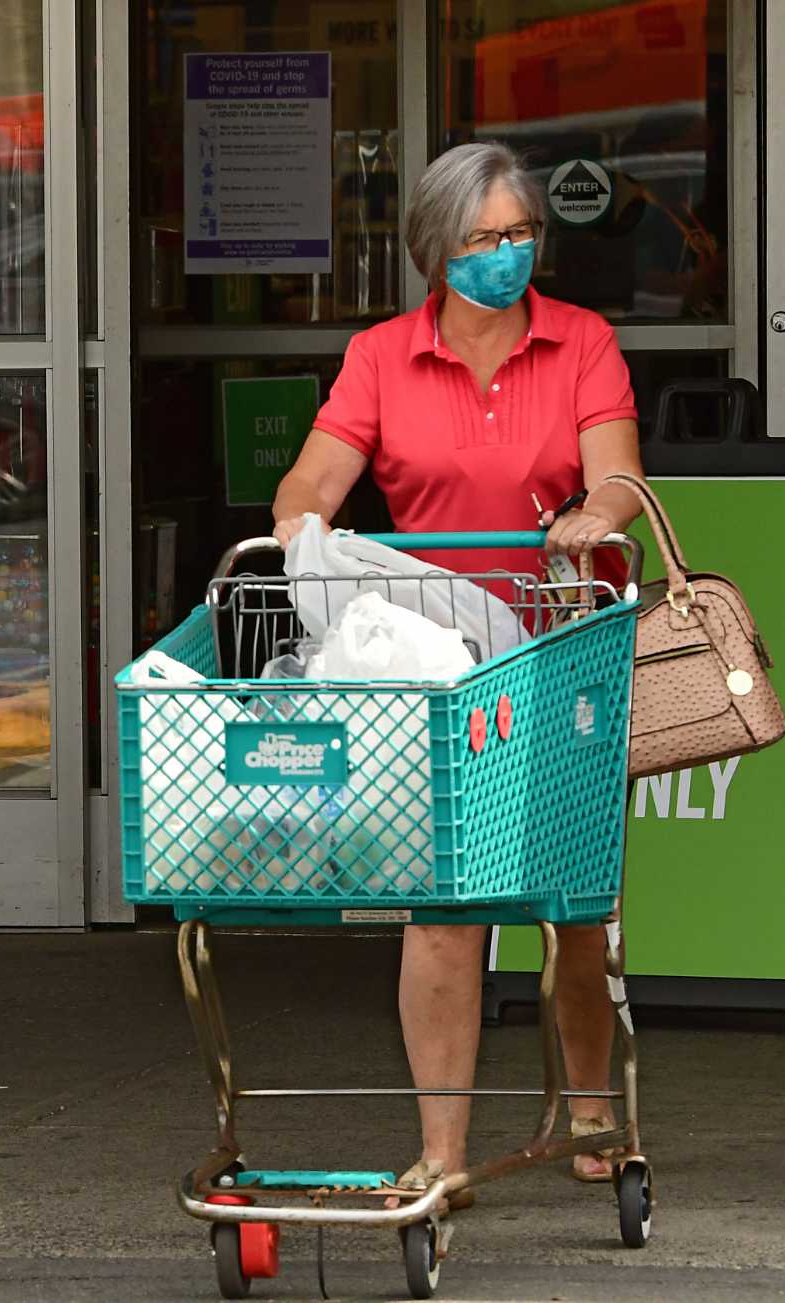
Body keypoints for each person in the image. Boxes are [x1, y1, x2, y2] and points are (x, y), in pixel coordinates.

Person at [270, 142, 644, 1196]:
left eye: (520, 234)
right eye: (482, 238)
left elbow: (616, 474)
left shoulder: (581, 343)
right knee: (442, 909)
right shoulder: (382, 356)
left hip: (560, 640)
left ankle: (589, 1110)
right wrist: (301, 526)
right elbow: (315, 473)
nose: (506, 255)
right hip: (438, 663)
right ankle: (441, 1151)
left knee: (575, 906)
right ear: (435, 249)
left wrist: (591, 515)